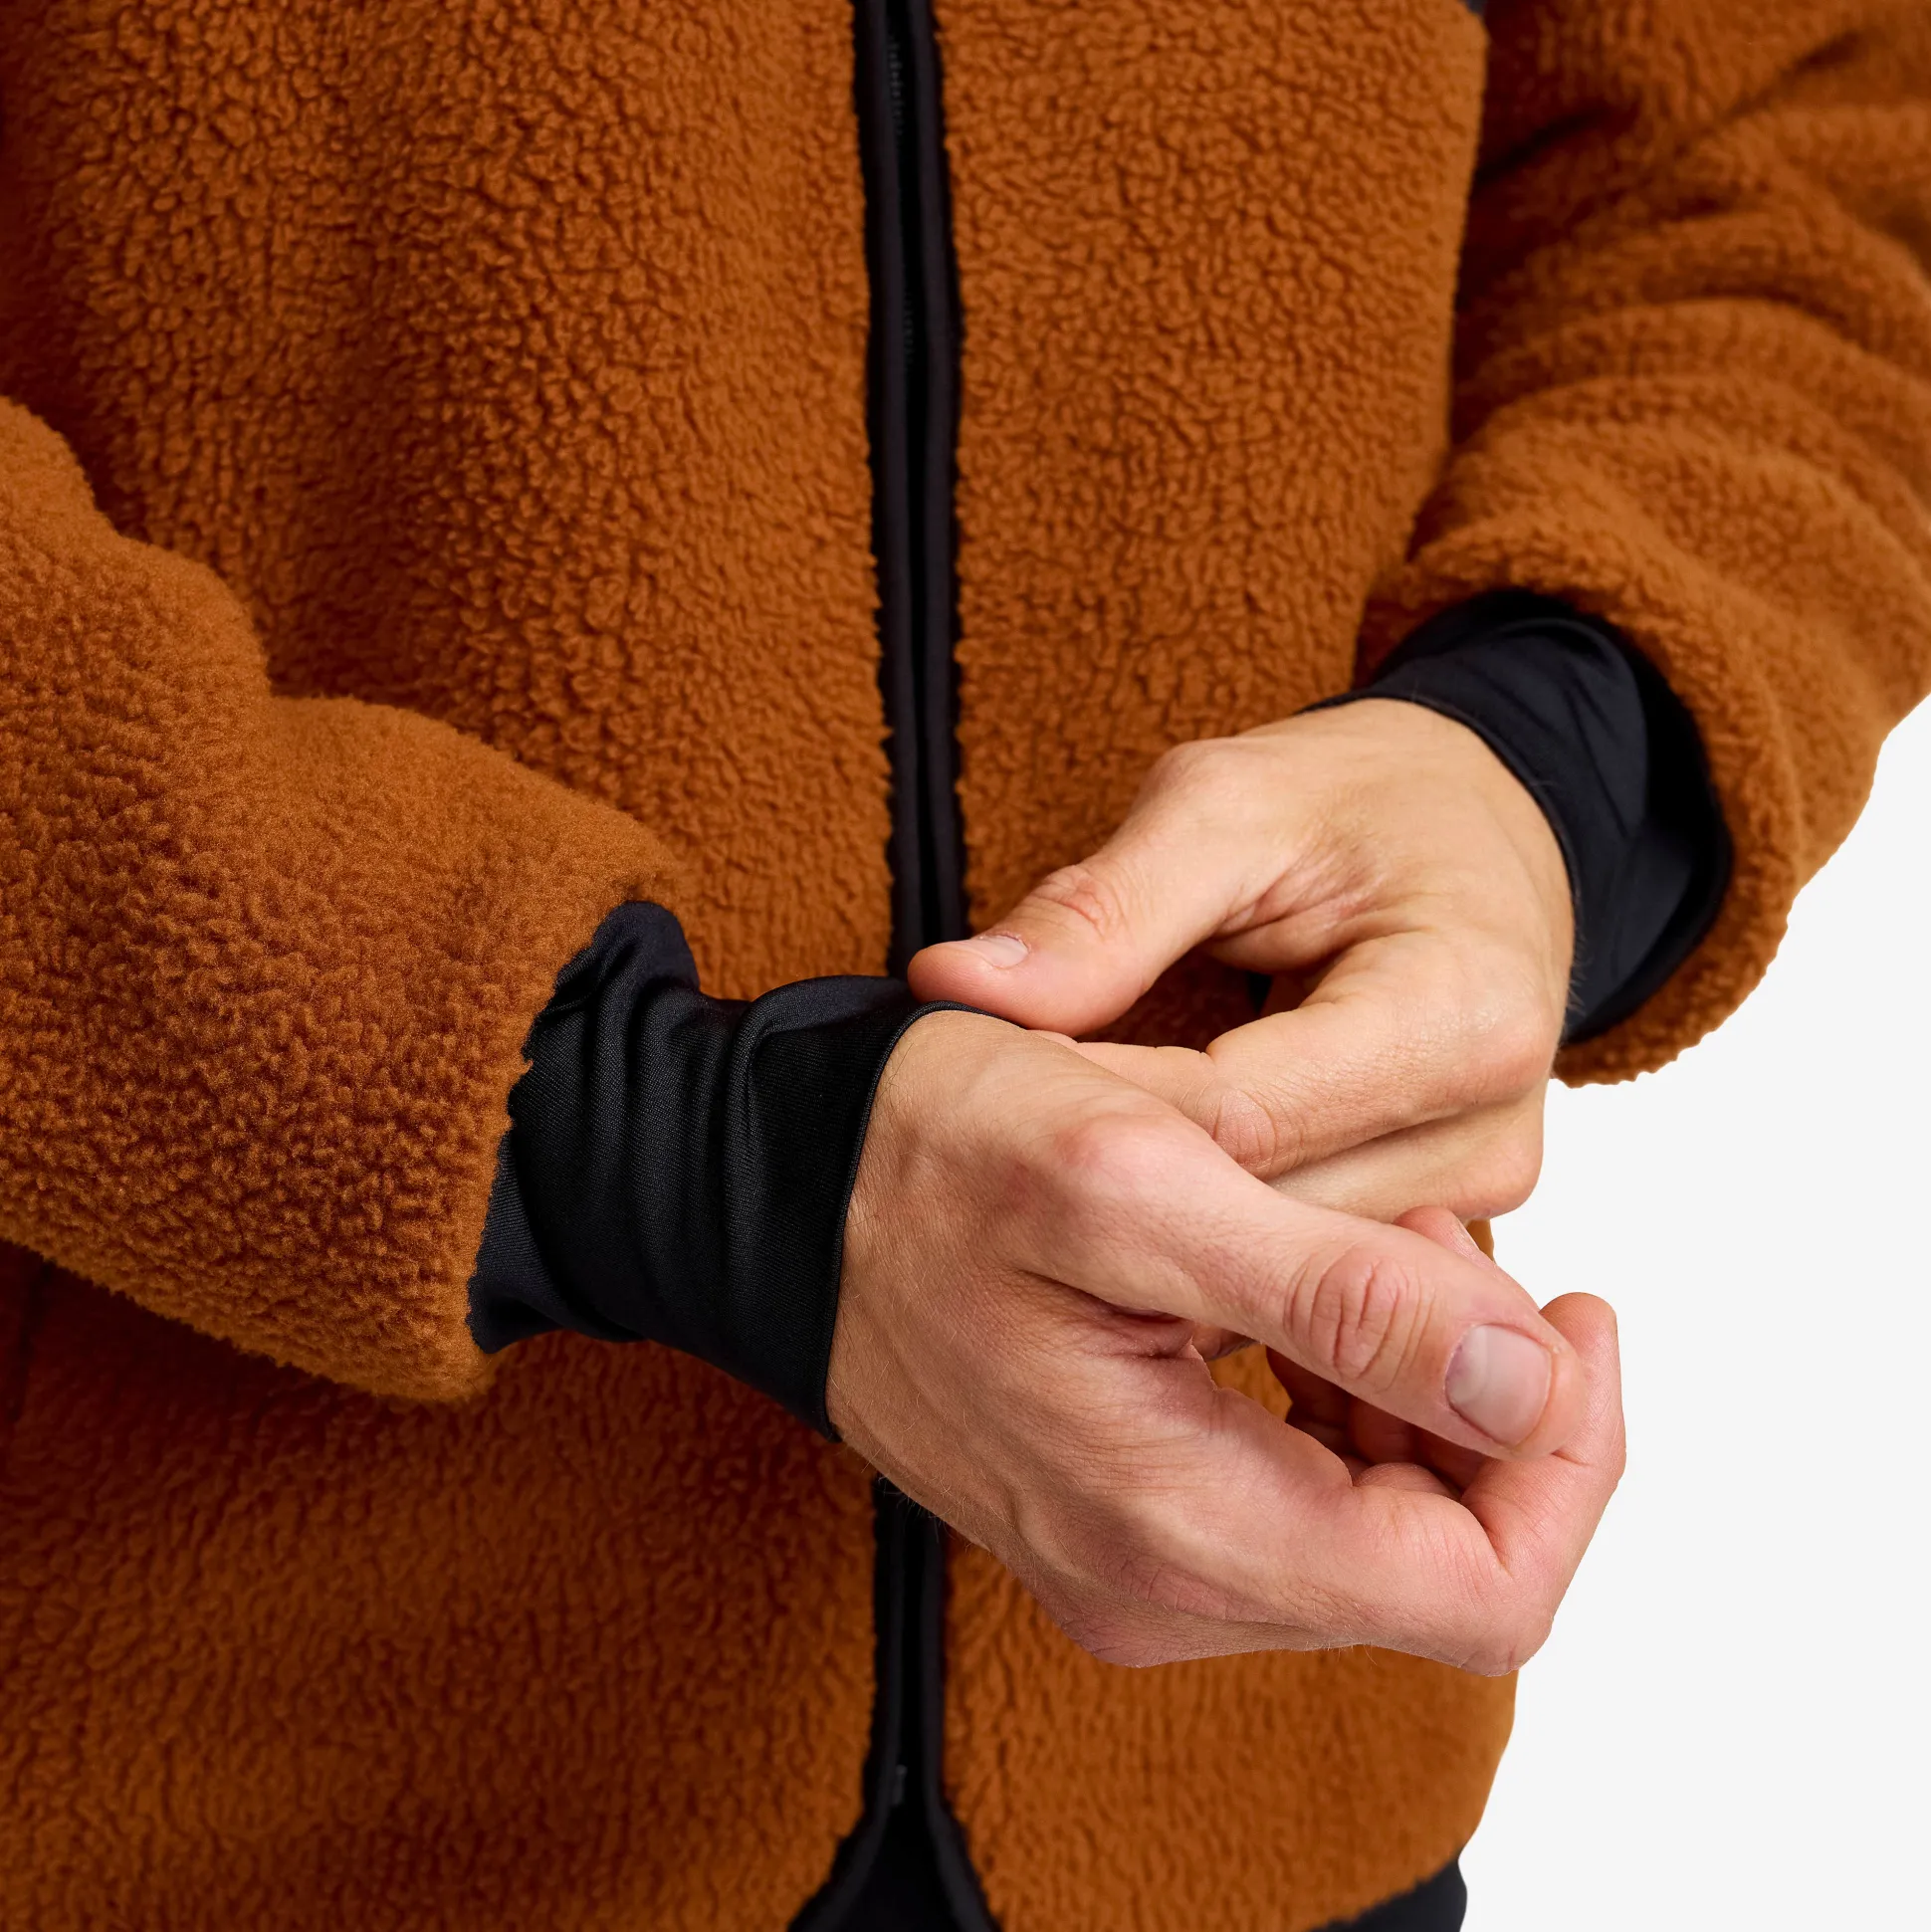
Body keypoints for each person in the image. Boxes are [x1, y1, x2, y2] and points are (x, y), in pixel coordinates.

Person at [0, 1, 1924, 1926]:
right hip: (196, 1785)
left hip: (1255, 1774)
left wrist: (1547, 757)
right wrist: (673, 1153)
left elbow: (1805, 142)